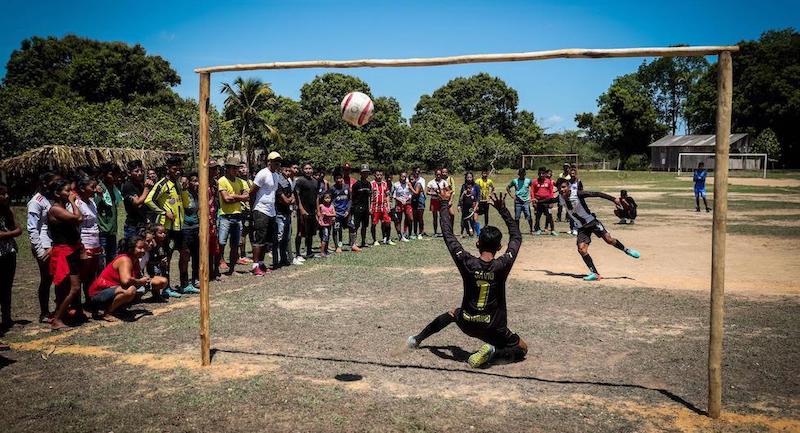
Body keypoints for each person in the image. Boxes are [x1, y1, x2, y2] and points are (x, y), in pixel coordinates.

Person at [407, 190, 527, 368]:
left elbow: (448, 235)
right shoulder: (502, 265)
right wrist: (503, 210)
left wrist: (443, 204)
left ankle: (417, 339)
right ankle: (494, 352)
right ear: (500, 247)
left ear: (478, 243)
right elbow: (517, 237)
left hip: (468, 322)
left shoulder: (467, 262)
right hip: (494, 327)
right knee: (522, 348)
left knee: (454, 313)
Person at [535, 182, 641, 281]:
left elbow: (596, 194)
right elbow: (550, 200)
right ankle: (595, 274)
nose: (562, 190)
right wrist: (538, 201)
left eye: (564, 187)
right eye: (559, 188)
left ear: (569, 187)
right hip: (581, 227)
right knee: (581, 249)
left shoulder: (578, 194)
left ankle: (626, 250)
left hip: (592, 222)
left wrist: (613, 199)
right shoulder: (560, 198)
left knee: (609, 240)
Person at [88, 236, 168, 322]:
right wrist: (140, 281)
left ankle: (120, 307)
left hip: (115, 290)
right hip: (98, 294)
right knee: (131, 290)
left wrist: (144, 280)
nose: (143, 250)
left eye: (143, 248)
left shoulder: (135, 259)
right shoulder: (125, 259)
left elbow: (135, 278)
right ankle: (108, 312)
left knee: (161, 281)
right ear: (131, 249)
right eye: (140, 248)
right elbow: (126, 281)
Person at [145, 156, 188, 288]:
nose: (178, 172)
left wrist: (185, 189)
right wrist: (163, 212)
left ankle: (184, 284)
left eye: (179, 169)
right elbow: (149, 200)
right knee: (166, 256)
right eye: (175, 169)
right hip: (166, 226)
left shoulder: (179, 185)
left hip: (179, 226)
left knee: (185, 253)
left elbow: (185, 204)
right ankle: (166, 287)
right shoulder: (162, 184)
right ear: (168, 169)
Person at [47, 179, 84, 330]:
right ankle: (57, 319)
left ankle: (61, 315)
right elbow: (78, 218)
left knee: (69, 287)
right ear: (57, 193)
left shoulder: (63, 207)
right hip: (63, 252)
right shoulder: (55, 209)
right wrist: (73, 202)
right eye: (67, 191)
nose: (70, 193)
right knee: (73, 288)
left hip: (71, 250)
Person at [27, 172, 60, 323]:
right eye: (55, 182)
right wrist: (39, 250)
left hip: (52, 244)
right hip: (44, 245)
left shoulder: (49, 200)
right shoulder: (36, 201)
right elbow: (32, 228)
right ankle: (44, 313)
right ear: (45, 183)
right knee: (46, 279)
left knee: (54, 277)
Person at [215, 157, 250, 275]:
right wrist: (239, 197)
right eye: (234, 168)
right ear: (228, 169)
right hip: (225, 216)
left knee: (235, 244)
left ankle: (232, 269)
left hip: (237, 216)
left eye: (237, 168)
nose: (236, 170)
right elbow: (226, 199)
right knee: (221, 242)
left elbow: (247, 197)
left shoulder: (242, 182)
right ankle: (219, 263)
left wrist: (234, 196)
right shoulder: (222, 181)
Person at [250, 152, 281, 275]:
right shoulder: (262, 174)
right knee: (260, 238)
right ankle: (255, 265)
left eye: (278, 162)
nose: (277, 164)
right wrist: (252, 210)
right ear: (269, 162)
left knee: (267, 239)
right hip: (261, 209)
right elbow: (252, 191)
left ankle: (261, 264)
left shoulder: (276, 176)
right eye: (275, 161)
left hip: (271, 211)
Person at [75, 177, 102, 308]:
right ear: (82, 188)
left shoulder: (92, 202)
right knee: (82, 275)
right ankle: (77, 305)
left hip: (95, 240)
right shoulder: (77, 204)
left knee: (92, 274)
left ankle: (90, 300)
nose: (95, 190)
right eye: (92, 187)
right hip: (84, 241)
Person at [0, 182, 22, 333]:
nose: (6, 196)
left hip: (9, 251)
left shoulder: (8, 211)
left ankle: (6, 317)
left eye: (7, 193)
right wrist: (12, 233)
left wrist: (7, 234)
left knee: (7, 287)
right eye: (2, 193)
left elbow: (19, 228)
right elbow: (15, 231)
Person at [95, 163, 122, 267]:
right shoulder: (100, 189)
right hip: (102, 230)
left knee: (111, 259)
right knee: (101, 260)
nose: (114, 177)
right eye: (111, 174)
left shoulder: (114, 189)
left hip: (112, 230)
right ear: (104, 174)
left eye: (116, 174)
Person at [178, 173, 201, 292]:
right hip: (185, 227)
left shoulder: (197, 194)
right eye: (193, 181)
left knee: (196, 254)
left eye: (197, 181)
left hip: (196, 227)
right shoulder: (182, 194)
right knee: (185, 255)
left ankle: (195, 278)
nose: (196, 183)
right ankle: (184, 282)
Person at [121, 160, 154, 239]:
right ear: (129, 173)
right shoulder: (128, 186)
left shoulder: (141, 185)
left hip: (143, 223)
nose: (139, 173)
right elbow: (137, 202)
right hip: (133, 226)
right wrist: (146, 189)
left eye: (141, 171)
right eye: (136, 171)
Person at [294, 163, 320, 259]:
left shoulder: (315, 181)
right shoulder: (300, 181)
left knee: (310, 233)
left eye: (310, 168)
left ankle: (309, 251)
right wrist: (301, 209)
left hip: (312, 211)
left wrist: (318, 210)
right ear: (302, 170)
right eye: (306, 169)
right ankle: (298, 253)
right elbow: (297, 196)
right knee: (300, 232)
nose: (308, 170)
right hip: (303, 211)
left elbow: (317, 197)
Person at [275, 165, 295, 267]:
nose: (288, 172)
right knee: (279, 237)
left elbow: (292, 197)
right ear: (281, 170)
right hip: (279, 213)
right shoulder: (278, 183)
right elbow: (286, 200)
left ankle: (284, 258)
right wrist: (289, 200)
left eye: (289, 171)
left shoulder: (288, 183)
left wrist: (290, 200)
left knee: (286, 237)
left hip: (287, 213)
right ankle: (277, 259)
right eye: (286, 170)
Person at [349, 165, 372, 251]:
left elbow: (369, 197)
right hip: (357, 208)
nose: (365, 173)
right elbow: (352, 197)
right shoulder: (356, 184)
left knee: (364, 226)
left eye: (367, 172)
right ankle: (353, 243)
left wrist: (369, 208)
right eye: (364, 172)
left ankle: (363, 241)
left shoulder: (369, 184)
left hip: (366, 208)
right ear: (361, 173)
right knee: (356, 226)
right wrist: (353, 208)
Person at [329, 169, 352, 253]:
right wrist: (333, 213)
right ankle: (337, 246)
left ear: (342, 178)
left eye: (340, 178)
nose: (339, 180)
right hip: (336, 214)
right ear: (334, 179)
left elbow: (350, 199)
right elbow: (329, 201)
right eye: (337, 178)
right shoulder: (332, 189)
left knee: (352, 227)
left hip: (345, 213)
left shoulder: (346, 187)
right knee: (336, 229)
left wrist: (347, 210)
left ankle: (353, 244)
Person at [506, 168, 533, 234]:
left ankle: (531, 230)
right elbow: (508, 187)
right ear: (518, 174)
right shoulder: (515, 181)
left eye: (523, 173)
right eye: (520, 174)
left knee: (529, 216)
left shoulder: (528, 181)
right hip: (518, 201)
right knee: (517, 217)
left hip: (526, 201)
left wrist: (531, 197)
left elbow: (533, 188)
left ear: (525, 174)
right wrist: (512, 196)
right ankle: (517, 230)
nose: (522, 175)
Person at [370, 169, 393, 246]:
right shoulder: (371, 184)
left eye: (380, 175)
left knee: (388, 223)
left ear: (382, 176)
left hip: (384, 207)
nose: (379, 177)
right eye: (377, 175)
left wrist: (389, 206)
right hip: (375, 207)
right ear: (374, 175)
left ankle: (388, 239)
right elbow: (369, 197)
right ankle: (375, 240)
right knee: (374, 224)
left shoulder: (385, 184)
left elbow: (387, 195)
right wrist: (369, 207)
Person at [238, 162, 255, 265]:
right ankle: (242, 254)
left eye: (244, 167)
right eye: (241, 168)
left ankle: (254, 253)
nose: (243, 169)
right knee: (243, 233)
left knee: (252, 232)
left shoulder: (251, 182)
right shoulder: (238, 182)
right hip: (242, 211)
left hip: (251, 210)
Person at [531, 167, 556, 236]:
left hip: (547, 201)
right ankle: (538, 229)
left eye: (543, 173)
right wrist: (533, 200)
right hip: (538, 201)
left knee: (549, 216)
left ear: (545, 174)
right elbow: (532, 191)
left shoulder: (549, 181)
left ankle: (553, 230)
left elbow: (551, 192)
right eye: (540, 173)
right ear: (538, 173)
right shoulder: (534, 181)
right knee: (538, 216)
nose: (541, 175)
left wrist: (552, 201)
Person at [392, 170, 413, 242]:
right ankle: (400, 235)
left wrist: (407, 199)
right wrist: (400, 200)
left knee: (410, 218)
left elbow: (410, 194)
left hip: (407, 204)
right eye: (402, 176)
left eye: (405, 176)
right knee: (399, 220)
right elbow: (394, 195)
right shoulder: (396, 184)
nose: (403, 178)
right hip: (399, 204)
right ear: (400, 177)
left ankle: (406, 233)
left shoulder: (408, 184)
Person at [427, 169, 449, 237]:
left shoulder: (444, 182)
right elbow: (427, 192)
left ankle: (443, 231)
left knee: (442, 217)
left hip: (442, 201)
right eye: (437, 174)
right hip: (434, 201)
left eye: (440, 174)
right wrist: (434, 193)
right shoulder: (431, 182)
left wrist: (443, 194)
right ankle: (435, 232)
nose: (439, 176)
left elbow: (448, 191)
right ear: (435, 174)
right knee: (435, 217)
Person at [458, 172, 480, 237]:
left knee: (474, 219)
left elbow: (478, 197)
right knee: (464, 220)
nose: (469, 179)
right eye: (468, 177)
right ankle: (466, 232)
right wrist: (459, 205)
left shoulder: (476, 186)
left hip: (473, 206)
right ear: (466, 178)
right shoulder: (464, 186)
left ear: (472, 178)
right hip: (465, 206)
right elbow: (460, 197)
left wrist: (476, 206)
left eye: (470, 177)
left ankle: (477, 233)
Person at [317, 191, 336, 257]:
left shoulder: (331, 206)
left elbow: (334, 214)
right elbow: (317, 213)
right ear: (323, 199)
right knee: (324, 238)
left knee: (327, 237)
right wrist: (318, 219)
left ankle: (326, 250)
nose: (327, 199)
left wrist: (329, 215)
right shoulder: (321, 206)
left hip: (329, 224)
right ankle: (322, 252)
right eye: (326, 198)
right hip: (323, 225)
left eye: (329, 198)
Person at [410, 169, 427, 239]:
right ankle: (415, 233)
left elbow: (416, 192)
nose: (411, 180)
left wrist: (410, 188)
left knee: (420, 218)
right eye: (410, 179)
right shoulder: (412, 183)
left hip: (420, 201)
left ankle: (420, 233)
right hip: (414, 202)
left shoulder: (418, 184)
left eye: (413, 179)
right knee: (414, 218)